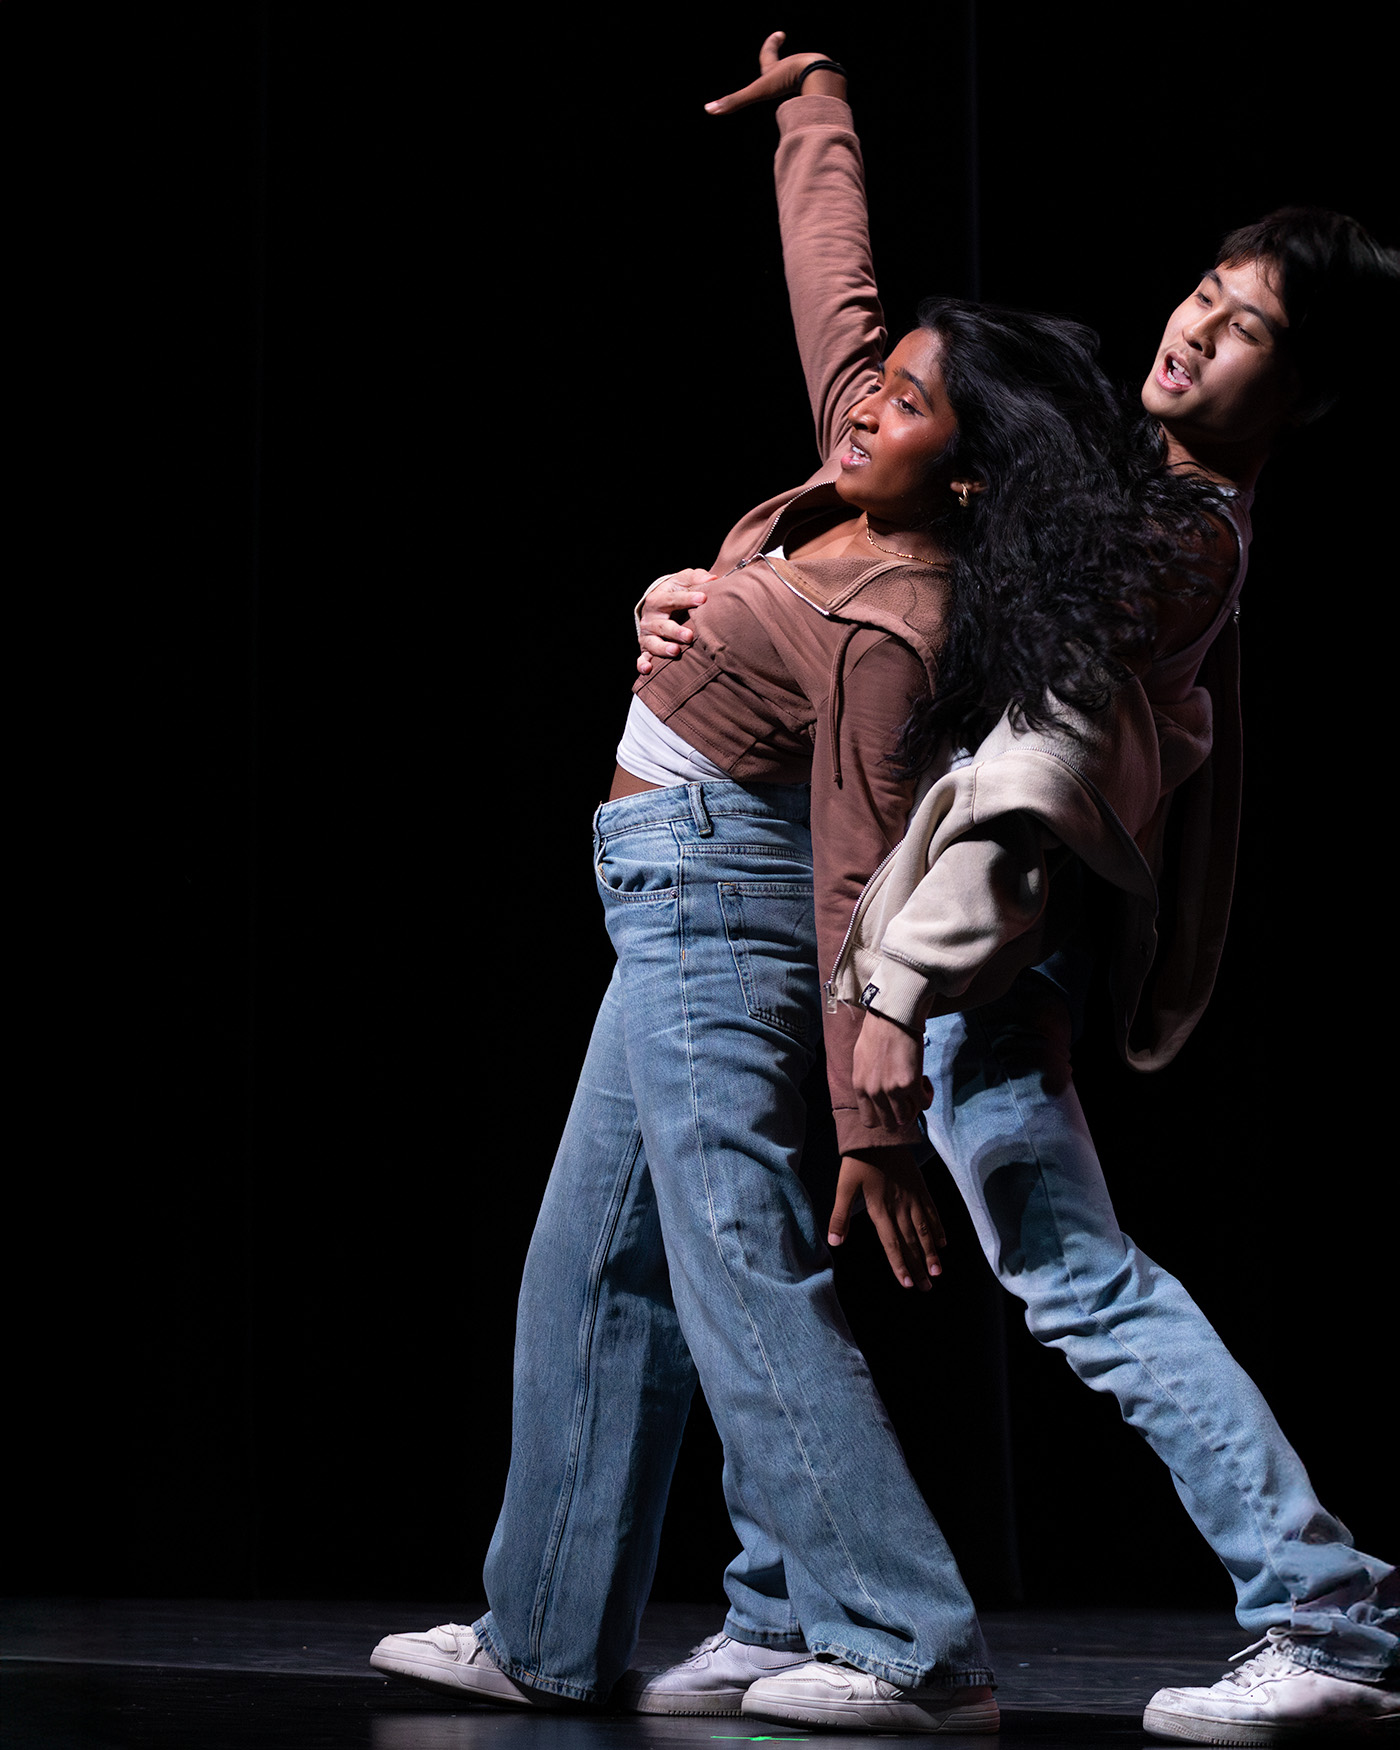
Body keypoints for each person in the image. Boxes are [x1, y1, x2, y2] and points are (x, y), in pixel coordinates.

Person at [368, 36, 1204, 1737]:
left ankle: (910, 1641)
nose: (870, 400)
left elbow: (857, 877)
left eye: (908, 403)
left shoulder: (898, 618)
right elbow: (838, 289)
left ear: (966, 473)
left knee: (738, 1267)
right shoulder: (856, 470)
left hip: (721, 908)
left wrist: (873, 1118)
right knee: (588, 1267)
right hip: (661, 898)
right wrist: (816, 109)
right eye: (881, 382)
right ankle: (545, 1628)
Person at [640, 182, 1400, 1743]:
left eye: (1249, 329)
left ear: (1303, 393)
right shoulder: (1135, 481)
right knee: (760, 1228)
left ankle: (1332, 1614)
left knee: (1076, 1278)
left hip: (983, 955)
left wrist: (897, 990)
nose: (1199, 329)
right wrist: (723, 590)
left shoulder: (1174, 541)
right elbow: (881, 422)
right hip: (947, 935)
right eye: (1205, 290)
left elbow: (1030, 779)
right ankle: (781, 1597)